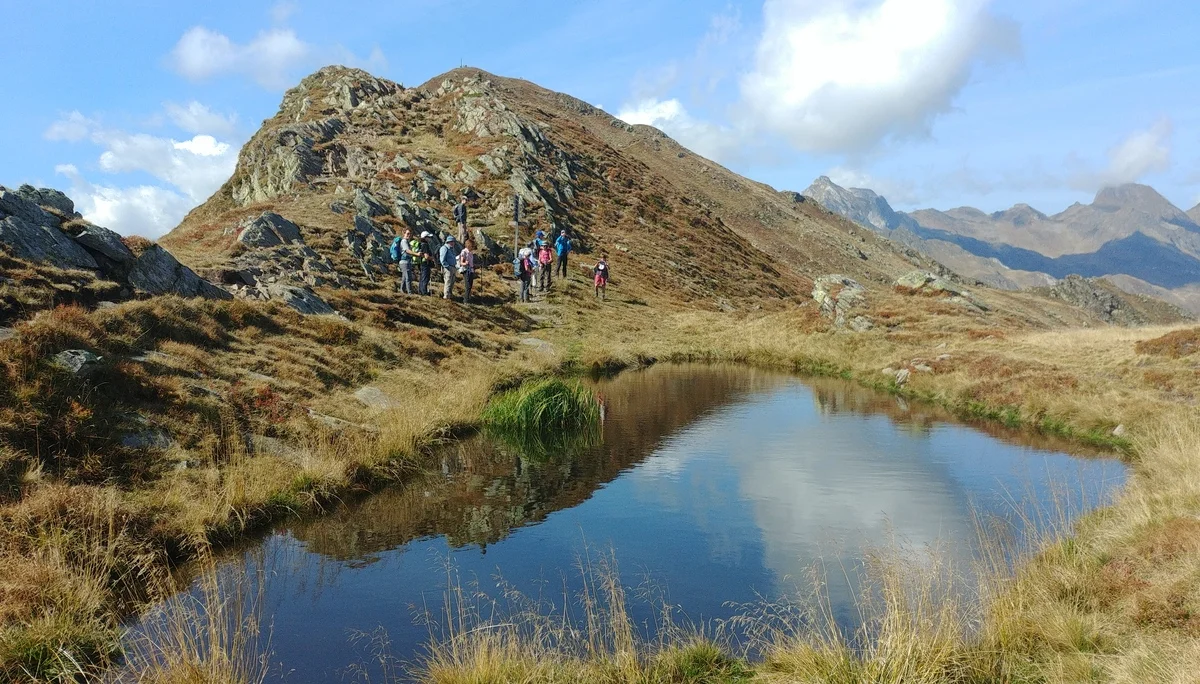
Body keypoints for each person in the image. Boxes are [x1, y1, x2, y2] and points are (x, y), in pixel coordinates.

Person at [392, 228, 415, 294]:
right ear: (404, 233)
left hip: (405, 262)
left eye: (410, 234)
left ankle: (402, 291)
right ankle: (410, 293)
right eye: (407, 233)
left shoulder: (407, 242)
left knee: (404, 278)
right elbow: (407, 251)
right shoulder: (404, 241)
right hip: (404, 262)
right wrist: (416, 254)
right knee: (408, 277)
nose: (409, 235)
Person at [439, 234, 461, 300]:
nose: (453, 243)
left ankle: (450, 295)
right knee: (448, 282)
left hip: (453, 267)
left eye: (453, 241)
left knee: (452, 282)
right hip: (448, 268)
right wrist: (447, 267)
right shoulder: (444, 248)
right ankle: (446, 296)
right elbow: (442, 259)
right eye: (452, 241)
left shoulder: (451, 249)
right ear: (448, 242)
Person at [458, 238, 476, 304]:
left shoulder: (470, 253)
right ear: (469, 245)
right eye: (472, 246)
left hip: (471, 270)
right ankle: (465, 300)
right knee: (468, 285)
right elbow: (461, 262)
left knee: (470, 285)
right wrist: (465, 263)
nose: (473, 247)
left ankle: (468, 298)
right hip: (466, 270)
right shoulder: (464, 252)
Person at [415, 231, 434, 296]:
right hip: (425, 264)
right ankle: (424, 292)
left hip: (421, 263)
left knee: (422, 277)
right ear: (425, 237)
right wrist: (432, 258)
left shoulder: (420, 244)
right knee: (425, 278)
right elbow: (426, 256)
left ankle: (421, 291)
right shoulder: (425, 245)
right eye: (429, 237)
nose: (430, 238)